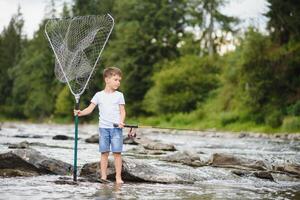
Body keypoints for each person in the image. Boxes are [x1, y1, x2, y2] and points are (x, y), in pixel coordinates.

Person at [74, 67, 125, 184]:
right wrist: (80, 113)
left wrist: (121, 121)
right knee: (104, 153)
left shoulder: (119, 95)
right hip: (103, 129)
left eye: (119, 80)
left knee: (117, 153)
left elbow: (122, 111)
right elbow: (90, 109)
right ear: (107, 79)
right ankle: (103, 176)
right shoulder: (98, 95)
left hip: (116, 128)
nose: (118, 82)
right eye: (115, 79)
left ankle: (118, 177)